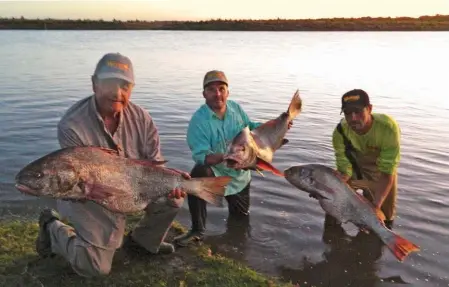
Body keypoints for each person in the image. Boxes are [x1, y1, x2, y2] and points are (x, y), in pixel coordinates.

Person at [35, 52, 189, 277]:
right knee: (95, 267)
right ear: (94, 84)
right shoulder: (72, 125)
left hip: (135, 187)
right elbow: (72, 184)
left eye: (125, 86)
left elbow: (154, 164)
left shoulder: (143, 119)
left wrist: (171, 181)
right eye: (109, 83)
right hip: (89, 196)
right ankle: (52, 229)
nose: (117, 92)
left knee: (173, 199)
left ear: (132, 88)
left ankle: (142, 242)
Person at [173, 70, 265, 246]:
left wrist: (274, 126)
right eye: (212, 90)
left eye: (221, 89)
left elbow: (251, 128)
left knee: (240, 219)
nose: (217, 94)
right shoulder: (198, 121)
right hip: (216, 171)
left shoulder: (236, 109)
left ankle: (236, 243)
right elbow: (201, 156)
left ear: (227, 92)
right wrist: (226, 157)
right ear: (204, 94)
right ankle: (197, 230)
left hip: (239, 176)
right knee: (198, 173)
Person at [328, 89, 401, 230]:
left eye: (358, 111)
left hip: (381, 172)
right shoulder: (340, 132)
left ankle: (385, 242)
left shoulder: (388, 128)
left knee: (384, 217)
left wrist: (375, 208)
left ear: (370, 109)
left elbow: (387, 172)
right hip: (354, 167)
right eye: (348, 113)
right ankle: (333, 239)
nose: (353, 118)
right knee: (333, 203)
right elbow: (344, 167)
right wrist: (325, 190)